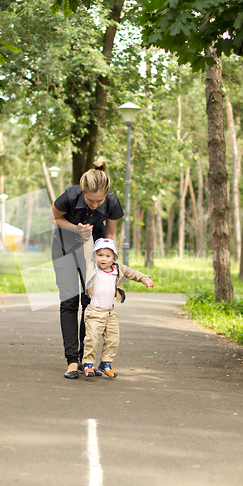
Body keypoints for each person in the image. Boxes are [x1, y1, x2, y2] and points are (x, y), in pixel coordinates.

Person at [50, 158, 124, 379]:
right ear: (82, 192)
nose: (94, 204)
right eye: (90, 200)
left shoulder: (111, 202)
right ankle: (72, 361)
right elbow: (53, 217)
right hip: (64, 249)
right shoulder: (70, 195)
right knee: (69, 302)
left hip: (94, 254)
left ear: (106, 195)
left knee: (90, 304)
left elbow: (110, 234)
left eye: (99, 201)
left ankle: (86, 359)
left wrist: (112, 261)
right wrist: (76, 228)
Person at [82, 237, 154, 378]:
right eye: (100, 255)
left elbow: (133, 273)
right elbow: (86, 250)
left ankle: (106, 364)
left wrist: (145, 278)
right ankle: (88, 364)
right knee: (92, 339)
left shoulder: (118, 269)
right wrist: (86, 235)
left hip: (110, 313)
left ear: (114, 257)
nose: (103, 259)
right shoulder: (92, 267)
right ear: (94, 256)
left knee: (113, 339)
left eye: (108, 256)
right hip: (94, 312)